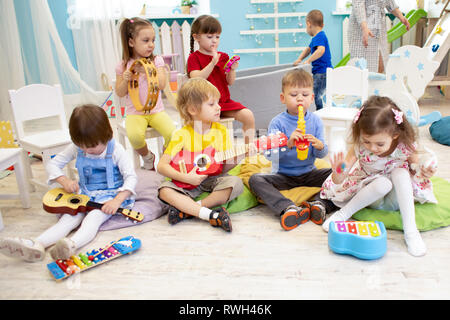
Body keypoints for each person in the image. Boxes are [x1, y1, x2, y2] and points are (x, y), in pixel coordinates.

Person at [0, 105, 137, 262]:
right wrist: (64, 180)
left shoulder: (116, 150)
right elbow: (52, 164)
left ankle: (71, 245)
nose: (86, 150)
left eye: (91, 146)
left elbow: (131, 177)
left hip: (110, 196)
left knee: (93, 218)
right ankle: (37, 244)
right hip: (85, 193)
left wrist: (117, 200)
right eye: (82, 146)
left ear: (106, 135)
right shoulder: (78, 147)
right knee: (69, 218)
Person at [320, 96, 437, 257]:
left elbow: (416, 167)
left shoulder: (405, 146)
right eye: (367, 142)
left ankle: (411, 232)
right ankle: (343, 214)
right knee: (383, 183)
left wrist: (423, 170)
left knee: (401, 173)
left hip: (396, 199)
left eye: (379, 144)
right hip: (370, 195)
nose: (373, 148)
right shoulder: (359, 147)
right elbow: (339, 178)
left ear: (395, 134)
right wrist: (338, 172)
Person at [248, 69, 337, 231]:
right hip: (283, 175)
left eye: (304, 94)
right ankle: (288, 208)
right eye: (294, 95)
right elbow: (269, 155)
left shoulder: (316, 121)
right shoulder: (277, 123)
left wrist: (319, 146)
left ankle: (319, 204)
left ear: (312, 98)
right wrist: (287, 144)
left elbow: (322, 154)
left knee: (339, 174)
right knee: (255, 180)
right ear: (283, 98)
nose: (300, 99)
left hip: (310, 173)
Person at [157, 78, 244, 232]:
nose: (218, 107)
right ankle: (208, 214)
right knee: (164, 190)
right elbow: (161, 166)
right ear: (192, 110)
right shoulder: (181, 134)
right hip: (186, 182)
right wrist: (186, 178)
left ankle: (190, 209)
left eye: (218, 102)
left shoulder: (221, 132)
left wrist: (240, 156)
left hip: (211, 179)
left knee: (236, 182)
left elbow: (224, 168)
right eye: (211, 104)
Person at [115, 17, 176, 170]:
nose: (151, 45)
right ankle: (148, 157)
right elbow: (120, 92)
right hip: (135, 113)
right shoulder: (123, 65)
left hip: (156, 111)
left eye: (153, 40)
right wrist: (125, 79)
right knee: (135, 137)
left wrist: (150, 73)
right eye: (146, 40)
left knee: (172, 133)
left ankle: (165, 159)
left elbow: (162, 84)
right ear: (131, 42)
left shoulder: (157, 61)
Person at [187, 15, 255, 144]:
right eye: (209, 37)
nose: (214, 41)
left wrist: (232, 70)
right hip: (205, 105)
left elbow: (230, 82)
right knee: (214, 127)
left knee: (248, 116)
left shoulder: (223, 57)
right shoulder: (194, 58)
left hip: (224, 102)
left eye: (217, 37)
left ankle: (249, 153)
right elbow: (195, 79)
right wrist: (212, 63)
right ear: (196, 38)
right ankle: (216, 155)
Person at [349, 0, 410, 73]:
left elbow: (390, 2)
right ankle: (363, 83)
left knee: (381, 62)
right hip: (362, 27)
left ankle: (375, 83)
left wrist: (401, 17)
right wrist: (364, 27)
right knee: (362, 65)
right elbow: (358, 4)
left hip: (378, 26)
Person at [293, 10, 332, 111]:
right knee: (318, 93)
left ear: (308, 24)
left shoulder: (320, 36)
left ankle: (320, 113)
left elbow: (321, 50)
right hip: (321, 72)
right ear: (322, 25)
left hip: (322, 72)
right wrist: (300, 59)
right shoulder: (316, 37)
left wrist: (308, 60)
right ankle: (320, 111)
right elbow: (308, 49)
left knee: (316, 94)